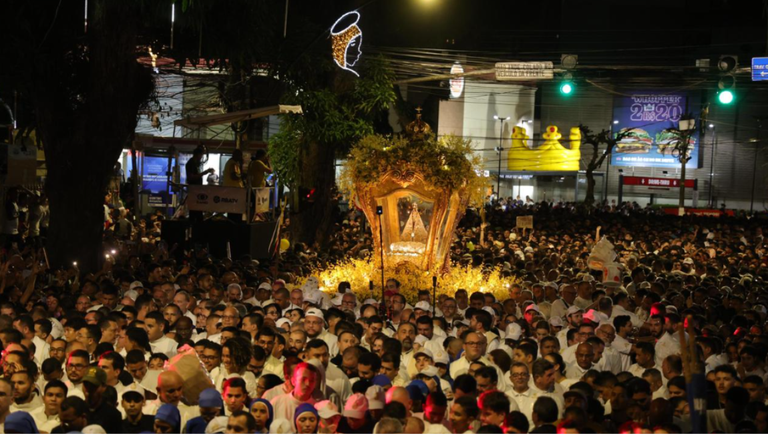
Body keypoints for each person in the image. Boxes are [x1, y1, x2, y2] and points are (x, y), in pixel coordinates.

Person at [270, 362, 320, 430]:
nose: (308, 384)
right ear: (293, 380)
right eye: (303, 379)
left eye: (311, 380)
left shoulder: (317, 407)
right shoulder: (276, 402)